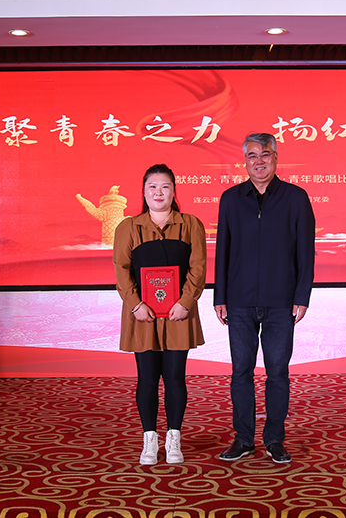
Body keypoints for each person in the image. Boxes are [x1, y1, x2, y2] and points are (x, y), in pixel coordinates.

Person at [214, 133, 315, 464]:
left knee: (278, 373)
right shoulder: (231, 199)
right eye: (252, 155)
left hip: (281, 300)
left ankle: (274, 438)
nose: (259, 161)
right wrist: (220, 296)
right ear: (245, 161)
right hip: (239, 300)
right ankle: (243, 439)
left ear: (276, 158)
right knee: (240, 372)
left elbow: (305, 251)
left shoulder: (296, 198)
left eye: (265, 154)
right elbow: (223, 250)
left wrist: (302, 296)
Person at [113, 164, 207, 466]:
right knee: (147, 378)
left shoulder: (191, 224)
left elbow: (198, 267)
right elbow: (121, 270)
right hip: (143, 315)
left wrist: (186, 301)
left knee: (176, 377)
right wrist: (135, 304)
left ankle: (174, 437)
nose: (158, 192)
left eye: (165, 186)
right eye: (152, 187)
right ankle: (150, 439)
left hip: (179, 313)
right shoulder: (128, 227)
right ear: (143, 192)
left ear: (174, 191)